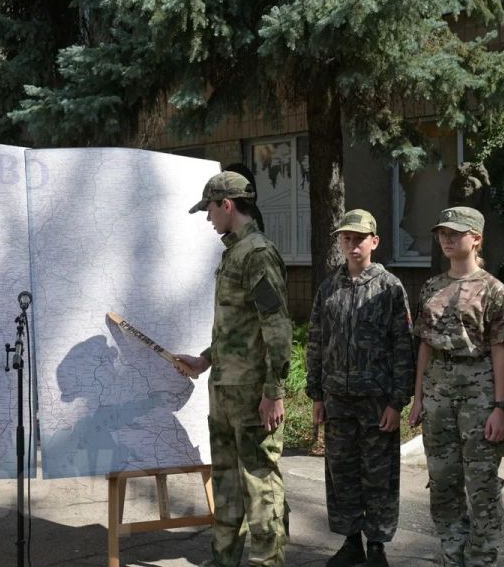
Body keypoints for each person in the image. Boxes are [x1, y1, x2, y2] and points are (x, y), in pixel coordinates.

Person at [175, 171, 292, 567]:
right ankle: (223, 559)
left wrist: (274, 392)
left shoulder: (257, 253)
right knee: (226, 480)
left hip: (250, 393)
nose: (208, 218)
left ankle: (267, 562)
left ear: (227, 205)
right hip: (224, 388)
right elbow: (238, 325)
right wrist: (206, 358)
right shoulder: (234, 252)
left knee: (259, 482)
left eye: (209, 209)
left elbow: (275, 325)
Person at [305, 209, 414, 567]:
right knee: (342, 475)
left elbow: (403, 347)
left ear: (374, 242)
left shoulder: (390, 289)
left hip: (376, 402)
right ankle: (352, 542)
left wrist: (397, 402)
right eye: (346, 238)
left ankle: (378, 546)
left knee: (379, 476)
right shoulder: (328, 288)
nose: (352, 245)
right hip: (337, 400)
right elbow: (316, 342)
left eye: (359, 238)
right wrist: (317, 395)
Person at [410, 207, 504, 566]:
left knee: (482, 483)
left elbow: (500, 349)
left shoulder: (493, 289)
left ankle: (483, 557)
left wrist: (500, 406)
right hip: (438, 391)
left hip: (478, 391)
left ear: (476, 238)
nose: (447, 239)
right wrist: (418, 396)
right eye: (442, 233)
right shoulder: (431, 287)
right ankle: (452, 554)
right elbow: (424, 343)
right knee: (442, 480)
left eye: (455, 232)